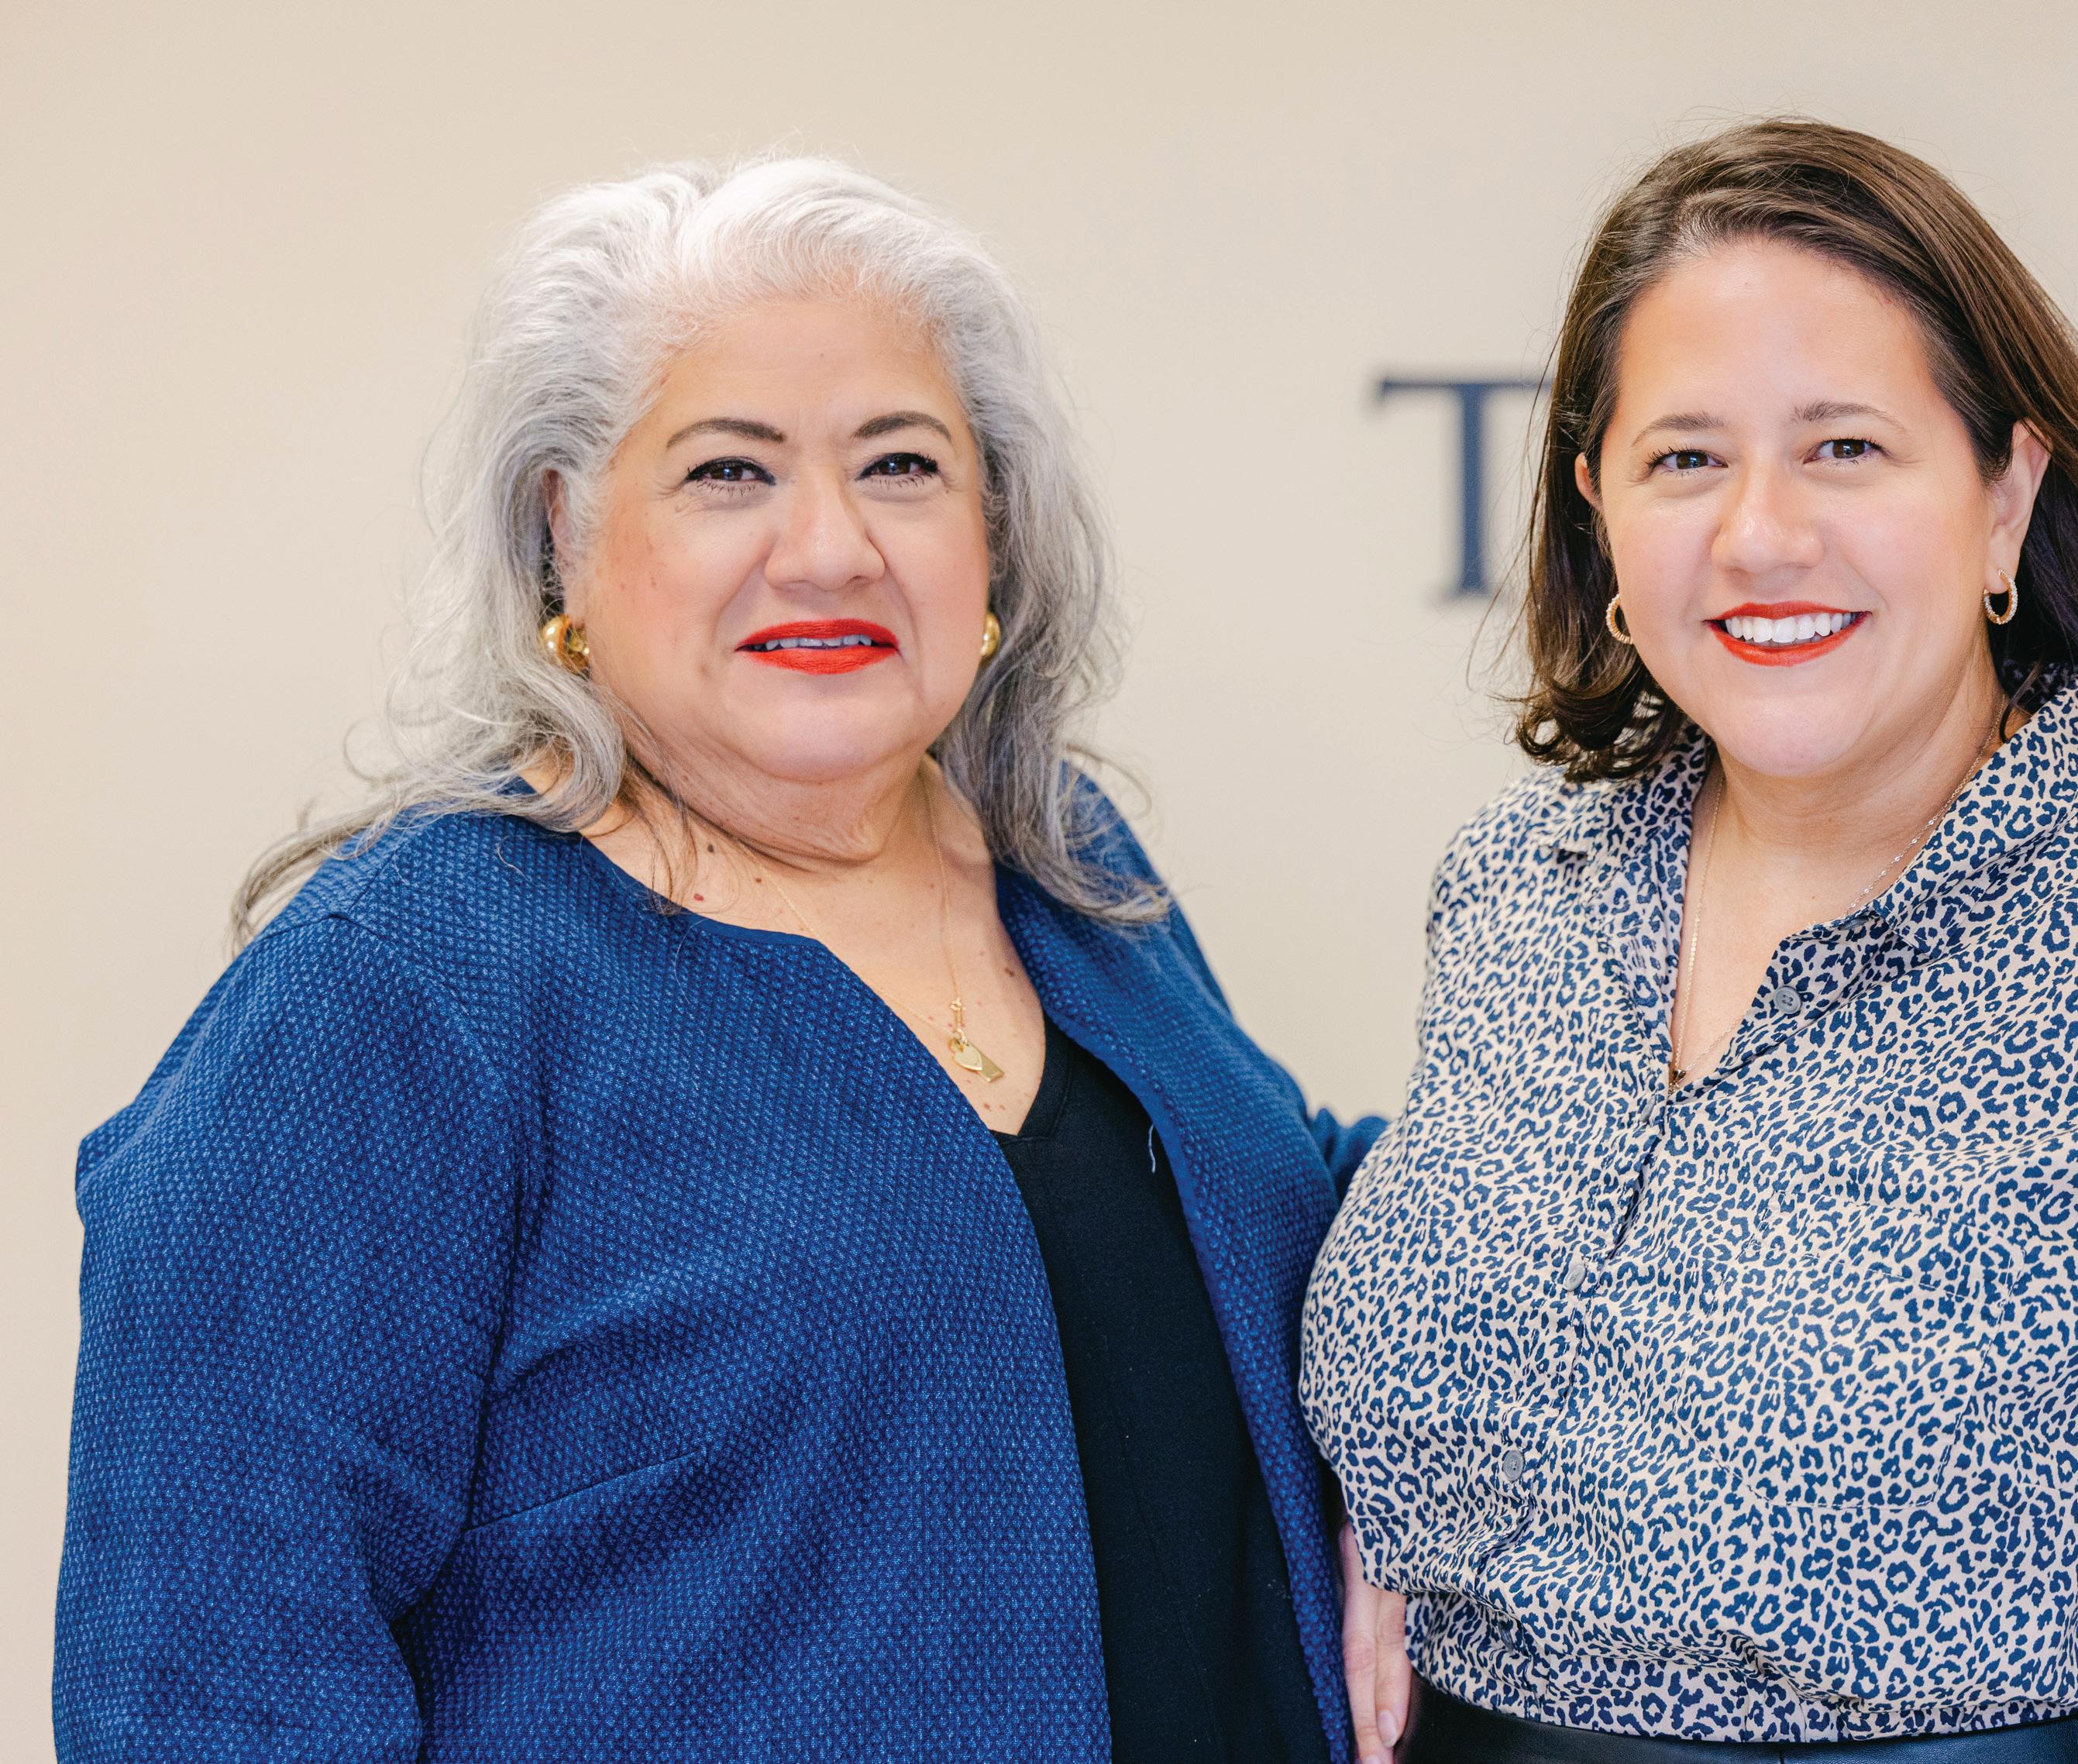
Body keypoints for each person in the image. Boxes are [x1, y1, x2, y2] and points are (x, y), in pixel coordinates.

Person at [57, 157, 1378, 1764]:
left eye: (901, 463)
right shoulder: (400, 987)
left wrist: (1386, 1492)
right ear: (565, 531)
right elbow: (201, 1683)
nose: (829, 546)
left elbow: (1289, 1217)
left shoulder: (1067, 861)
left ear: (993, 534)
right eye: (728, 470)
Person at [1300, 120, 2078, 1763]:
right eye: (1684, 458)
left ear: (2004, 497)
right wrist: (1363, 1520)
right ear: (1597, 513)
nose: (1761, 533)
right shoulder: (1519, 891)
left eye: (1845, 447)